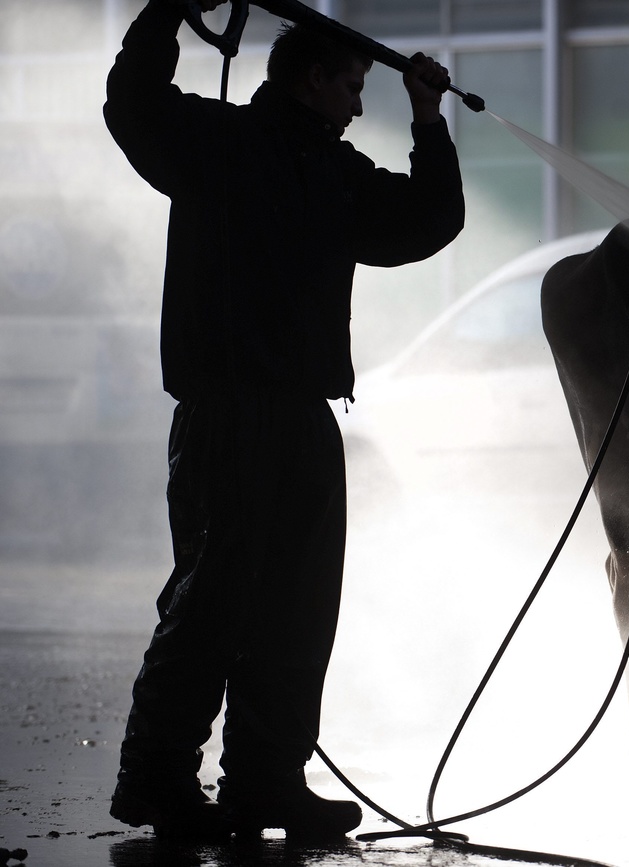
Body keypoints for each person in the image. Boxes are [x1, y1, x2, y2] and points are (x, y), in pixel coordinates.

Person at [103, 0, 464, 840]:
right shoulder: (217, 145)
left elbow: (430, 220)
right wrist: (165, 10)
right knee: (212, 605)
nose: (357, 104)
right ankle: (157, 779)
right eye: (352, 85)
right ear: (311, 79)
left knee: (297, 608)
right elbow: (131, 101)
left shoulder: (334, 175)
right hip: (227, 413)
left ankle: (265, 783)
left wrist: (427, 121)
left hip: (302, 418)